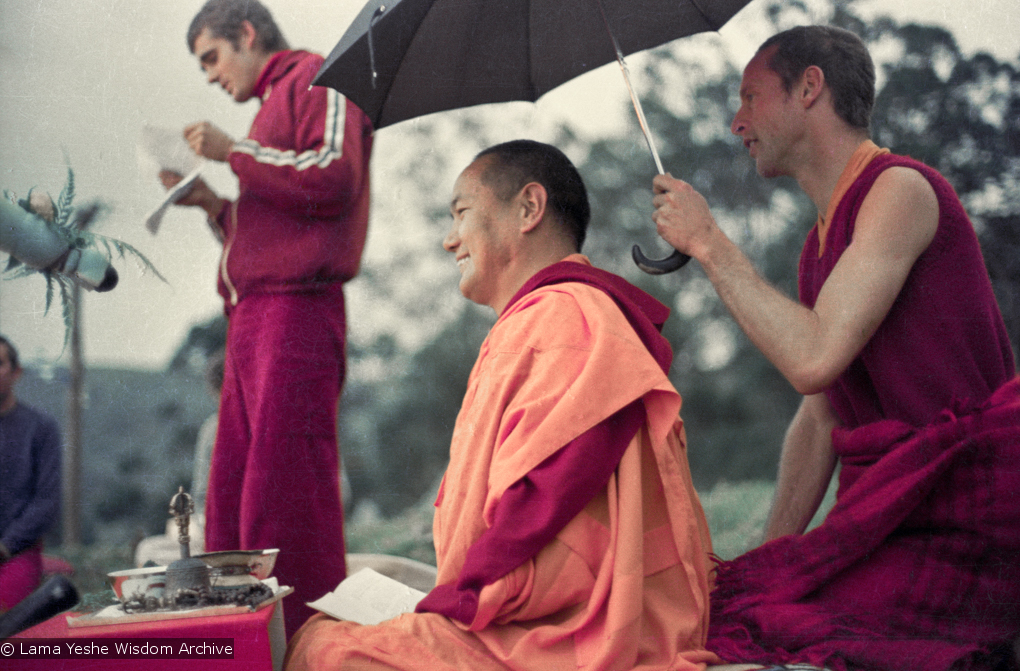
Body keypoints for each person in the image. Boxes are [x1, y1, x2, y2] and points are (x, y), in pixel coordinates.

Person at [651, 25, 1020, 671]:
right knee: (743, 604)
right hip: (889, 514)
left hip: (966, 515)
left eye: (750, 97)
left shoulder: (900, 190)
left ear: (810, 88)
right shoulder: (816, 247)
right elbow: (821, 410)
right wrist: (772, 561)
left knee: (790, 636)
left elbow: (813, 357)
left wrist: (709, 241)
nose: (736, 122)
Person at [284, 140, 719, 671]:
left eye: (461, 213)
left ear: (529, 209)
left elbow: (543, 504)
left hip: (574, 631)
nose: (449, 241)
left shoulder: (562, 321)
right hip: (546, 607)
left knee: (328, 651)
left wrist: (461, 601)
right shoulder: (552, 317)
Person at [159, 0, 373, 638]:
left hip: (297, 311)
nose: (211, 77)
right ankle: (241, 640)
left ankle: (308, 643)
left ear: (247, 34)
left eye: (213, 57)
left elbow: (335, 176)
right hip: (252, 318)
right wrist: (213, 204)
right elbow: (267, 233)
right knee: (232, 497)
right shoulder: (267, 115)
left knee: (284, 496)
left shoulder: (321, 80)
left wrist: (235, 153)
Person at [0, 336, 61, 613]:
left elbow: (46, 501)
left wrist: (6, 546)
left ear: (16, 371)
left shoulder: (40, 428)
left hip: (15, 552)